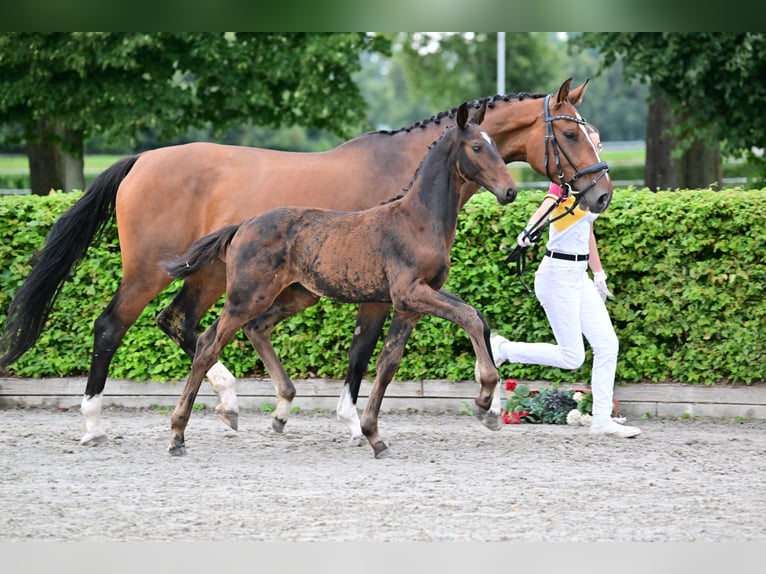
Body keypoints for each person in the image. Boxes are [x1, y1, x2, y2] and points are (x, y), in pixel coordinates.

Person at [490, 125, 641, 438]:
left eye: (598, 146)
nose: (595, 151)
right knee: (572, 357)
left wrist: (598, 274)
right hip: (557, 275)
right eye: (592, 145)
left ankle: (601, 420)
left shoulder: (593, 183)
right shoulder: (565, 182)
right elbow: (546, 205)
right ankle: (503, 349)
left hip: (579, 275)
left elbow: (588, 233)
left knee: (608, 344)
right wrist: (529, 230)